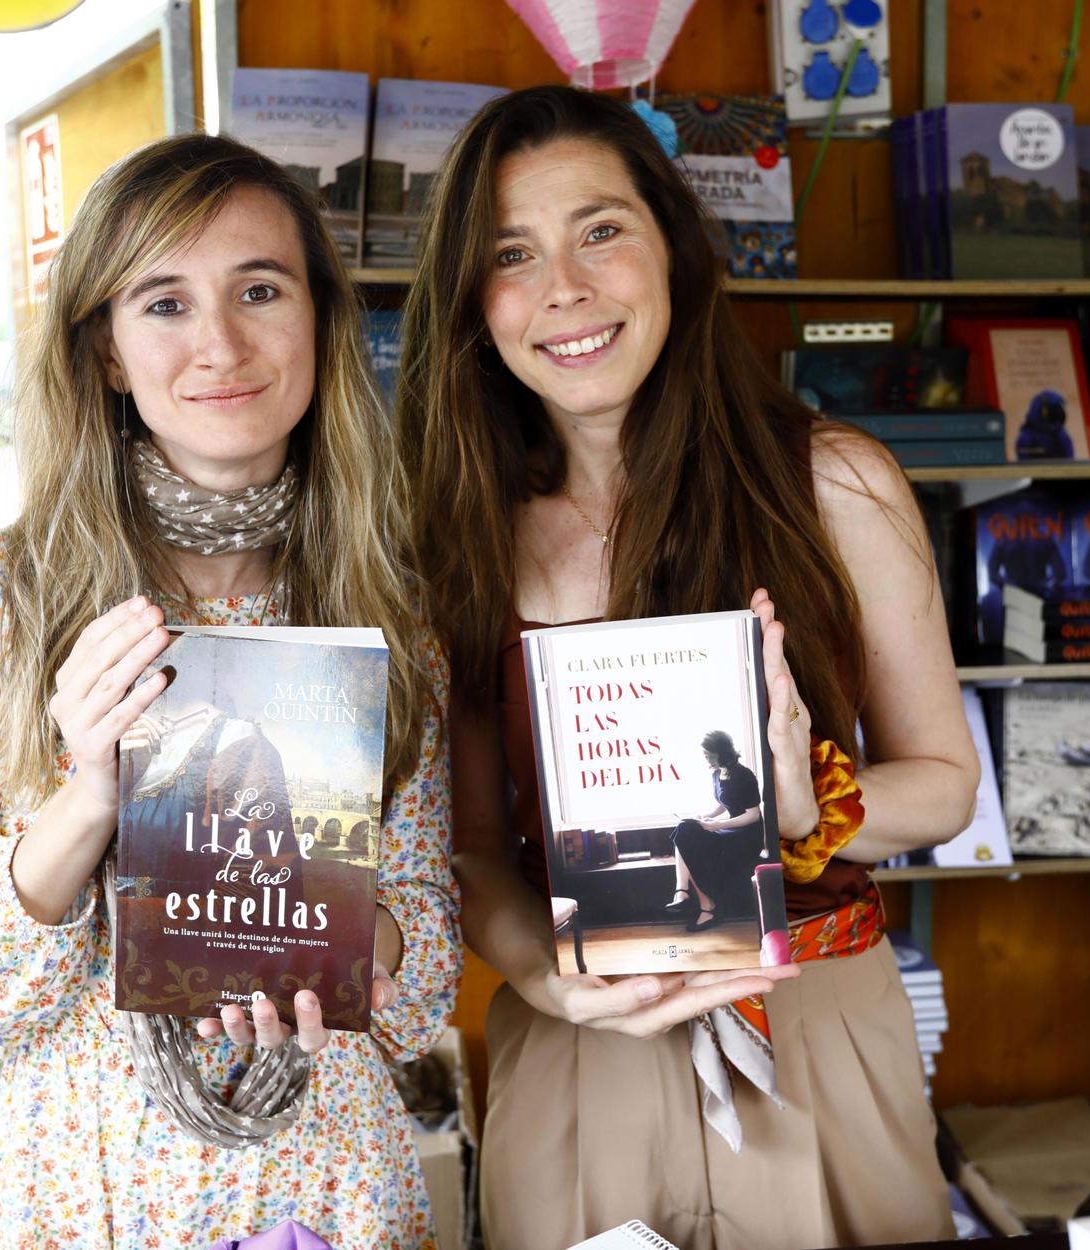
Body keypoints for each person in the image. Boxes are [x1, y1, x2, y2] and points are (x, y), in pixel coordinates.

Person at [0, 133, 456, 1249]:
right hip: (82, 1188)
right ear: (109, 352)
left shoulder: (383, 608)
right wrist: (85, 796)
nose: (219, 342)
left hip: (328, 1185)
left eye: (258, 290)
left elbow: (423, 983)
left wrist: (351, 941)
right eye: (163, 302)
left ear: (317, 317)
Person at [399, 86, 980, 1248]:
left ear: (672, 241)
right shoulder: (456, 524)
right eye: (511, 252)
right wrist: (543, 978)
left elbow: (944, 779)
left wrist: (811, 802)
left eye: (600, 230)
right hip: (579, 1037)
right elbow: (468, 843)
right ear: (472, 300)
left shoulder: (834, 480)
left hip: (815, 1019)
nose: (563, 286)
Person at [667, 730, 768, 933]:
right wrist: (706, 816)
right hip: (731, 830)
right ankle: (685, 894)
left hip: (747, 836)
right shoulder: (717, 773)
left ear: (721, 752)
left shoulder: (743, 775)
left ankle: (699, 902)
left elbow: (753, 815)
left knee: (686, 835)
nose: (706, 759)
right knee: (684, 830)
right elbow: (723, 804)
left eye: (708, 755)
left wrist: (717, 825)